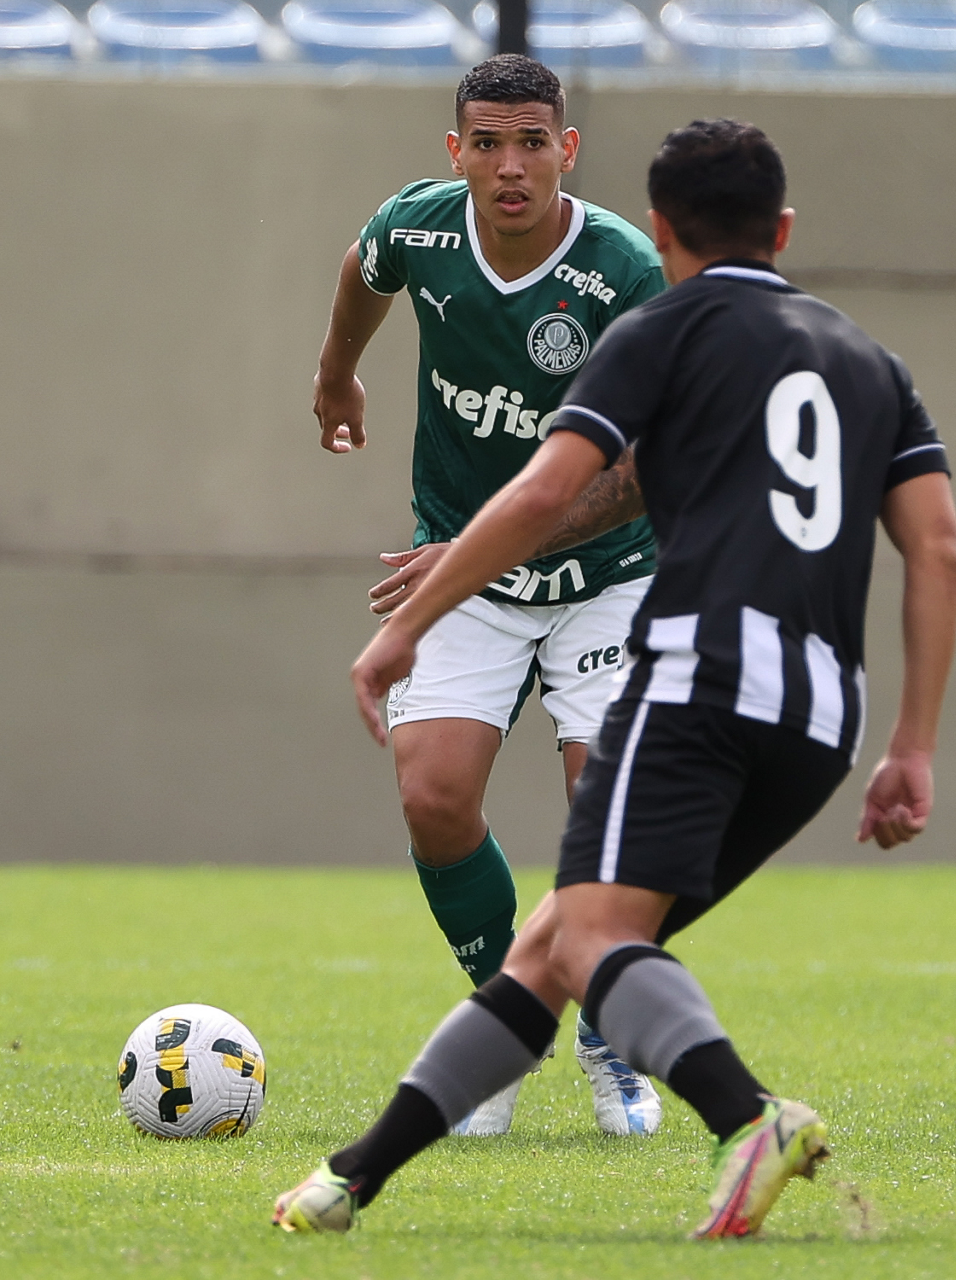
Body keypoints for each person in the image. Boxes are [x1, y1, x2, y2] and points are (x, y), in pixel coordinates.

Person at [275, 117, 956, 1238]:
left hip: (699, 684)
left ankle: (750, 1115)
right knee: (558, 943)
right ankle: (351, 1179)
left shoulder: (662, 328)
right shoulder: (869, 361)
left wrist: (416, 619)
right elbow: (936, 552)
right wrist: (914, 745)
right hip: (821, 719)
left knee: (590, 940)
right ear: (784, 230)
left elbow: (548, 489)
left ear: (659, 230)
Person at [314, 54, 667, 1137]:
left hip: (606, 574)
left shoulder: (623, 271)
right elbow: (365, 266)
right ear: (455, 151)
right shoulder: (418, 228)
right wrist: (336, 374)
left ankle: (608, 1027)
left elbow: (647, 469)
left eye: (531, 143)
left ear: (568, 149)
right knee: (432, 795)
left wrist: (477, 547)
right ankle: (506, 1021)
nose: (510, 166)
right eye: (487, 143)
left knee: (607, 813)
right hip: (464, 573)